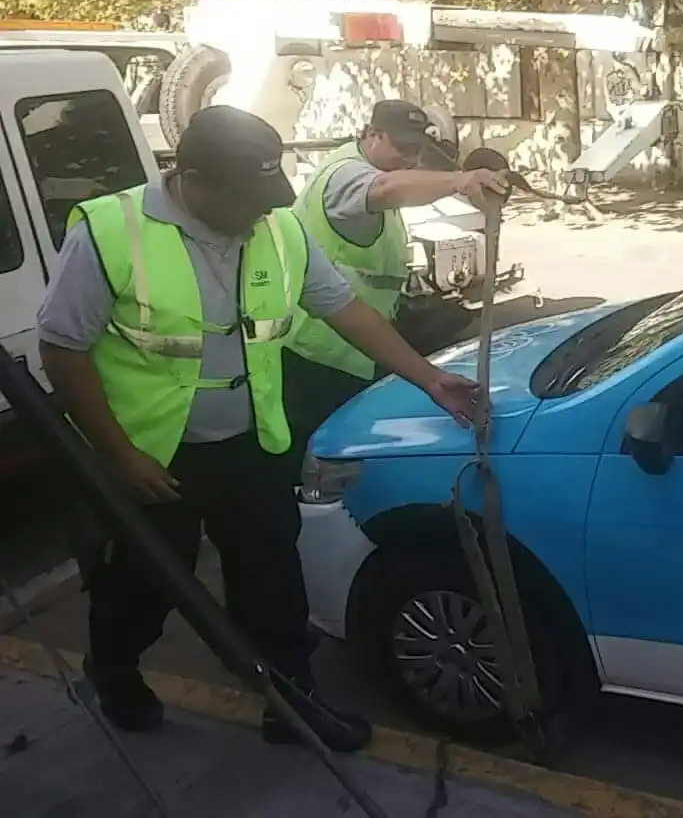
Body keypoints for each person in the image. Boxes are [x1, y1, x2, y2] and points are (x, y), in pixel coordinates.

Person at [36, 105, 481, 753]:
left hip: (253, 448)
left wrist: (429, 379)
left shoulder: (276, 228)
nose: (259, 214)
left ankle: (292, 705)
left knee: (273, 583)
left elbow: (345, 310)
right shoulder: (112, 231)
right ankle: (115, 670)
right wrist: (119, 455)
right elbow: (62, 351)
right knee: (142, 585)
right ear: (194, 180)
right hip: (151, 458)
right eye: (247, 199)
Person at [283, 99, 508, 467]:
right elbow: (386, 188)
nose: (409, 158)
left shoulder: (363, 165)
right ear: (372, 135)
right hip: (319, 352)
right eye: (401, 148)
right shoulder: (346, 176)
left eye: (416, 150)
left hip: (358, 341)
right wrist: (460, 181)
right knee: (320, 457)